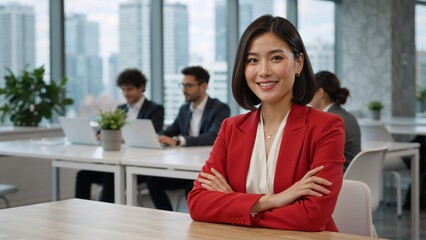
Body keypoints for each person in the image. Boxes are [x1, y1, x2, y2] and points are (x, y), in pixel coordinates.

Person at [187, 15, 345, 232]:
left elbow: (311, 217)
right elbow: (197, 204)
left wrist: (234, 202)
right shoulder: (231, 128)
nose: (263, 71)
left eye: (276, 58)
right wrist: (272, 200)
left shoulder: (326, 127)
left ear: (298, 63)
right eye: (253, 60)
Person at [146, 66, 230, 211]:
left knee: (191, 187)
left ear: (203, 86)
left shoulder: (219, 108)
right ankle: (167, 217)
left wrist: (179, 141)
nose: (184, 90)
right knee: (153, 181)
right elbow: (170, 130)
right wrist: (154, 136)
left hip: (205, 171)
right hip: (184, 167)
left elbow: (213, 136)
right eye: (183, 85)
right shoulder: (184, 109)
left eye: (189, 85)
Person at [75, 68, 164, 203]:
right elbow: (107, 128)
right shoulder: (121, 109)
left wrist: (120, 136)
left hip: (140, 166)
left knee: (111, 175)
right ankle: (79, 212)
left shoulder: (155, 109)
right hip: (117, 161)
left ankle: (107, 217)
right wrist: (100, 134)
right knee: (83, 175)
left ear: (141, 87)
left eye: (129, 89)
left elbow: (151, 133)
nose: (126, 94)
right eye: (123, 90)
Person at [309, 70, 361, 170]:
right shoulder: (349, 116)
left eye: (310, 91)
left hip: (339, 179)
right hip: (354, 178)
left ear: (320, 93)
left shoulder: (329, 121)